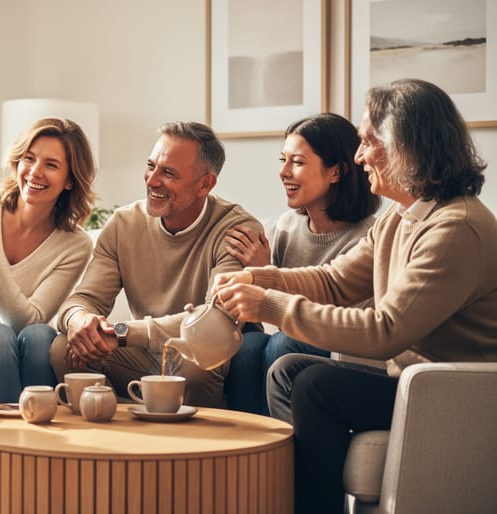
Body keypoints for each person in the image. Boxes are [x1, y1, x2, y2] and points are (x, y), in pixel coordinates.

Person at [213, 78, 497, 514]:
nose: (360, 154)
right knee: (289, 370)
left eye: (368, 141)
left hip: (450, 394)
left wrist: (267, 304)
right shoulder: (401, 219)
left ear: (407, 145)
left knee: (315, 384)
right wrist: (260, 277)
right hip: (413, 385)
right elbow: (335, 282)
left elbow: (386, 331)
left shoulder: (455, 227)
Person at [49, 121, 263, 407]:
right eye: (151, 166)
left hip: (200, 352)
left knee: (198, 364)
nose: (151, 180)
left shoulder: (237, 230)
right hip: (140, 352)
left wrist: (124, 334)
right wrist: (79, 321)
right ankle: (110, 441)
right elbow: (85, 298)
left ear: (205, 184)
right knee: (64, 347)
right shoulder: (124, 224)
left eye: (168, 173)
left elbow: (215, 319)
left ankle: (196, 449)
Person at [223, 112, 381, 415]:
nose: (284, 172)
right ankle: (248, 447)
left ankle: (282, 449)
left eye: (297, 162)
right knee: (246, 347)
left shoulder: (368, 237)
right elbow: (271, 321)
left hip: (343, 349)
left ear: (335, 172)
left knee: (283, 344)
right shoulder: (286, 227)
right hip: (288, 337)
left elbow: (347, 325)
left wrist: (273, 277)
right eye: (282, 160)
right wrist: (263, 270)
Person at [0, 117, 95, 404]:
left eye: (51, 165)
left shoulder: (75, 244)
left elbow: (25, 321)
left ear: (70, 180)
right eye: (29, 158)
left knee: (40, 336)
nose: (35, 172)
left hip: (25, 336)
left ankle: (42, 439)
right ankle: (8, 439)